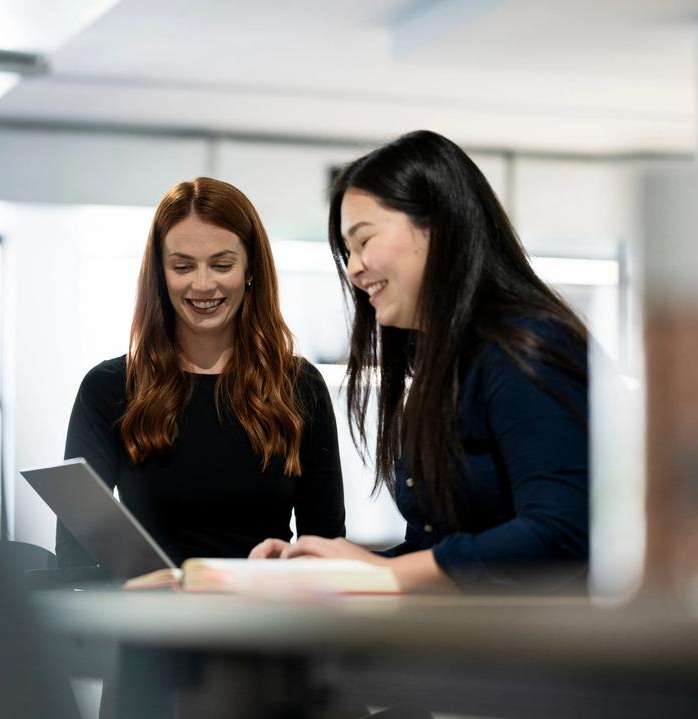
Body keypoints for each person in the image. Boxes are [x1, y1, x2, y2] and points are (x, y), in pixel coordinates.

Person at [251, 130, 589, 594]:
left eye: (363, 240)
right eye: (347, 251)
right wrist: (336, 568)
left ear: (438, 227)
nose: (353, 268)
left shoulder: (526, 347)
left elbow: (563, 533)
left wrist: (383, 573)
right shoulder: (443, 366)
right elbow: (436, 549)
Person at [57, 177, 346, 569]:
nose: (203, 284)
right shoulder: (109, 388)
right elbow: (75, 553)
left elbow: (326, 548)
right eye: (182, 266)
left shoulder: (299, 386)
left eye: (222, 265)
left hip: (267, 606)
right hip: (150, 607)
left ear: (251, 268)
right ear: (160, 274)